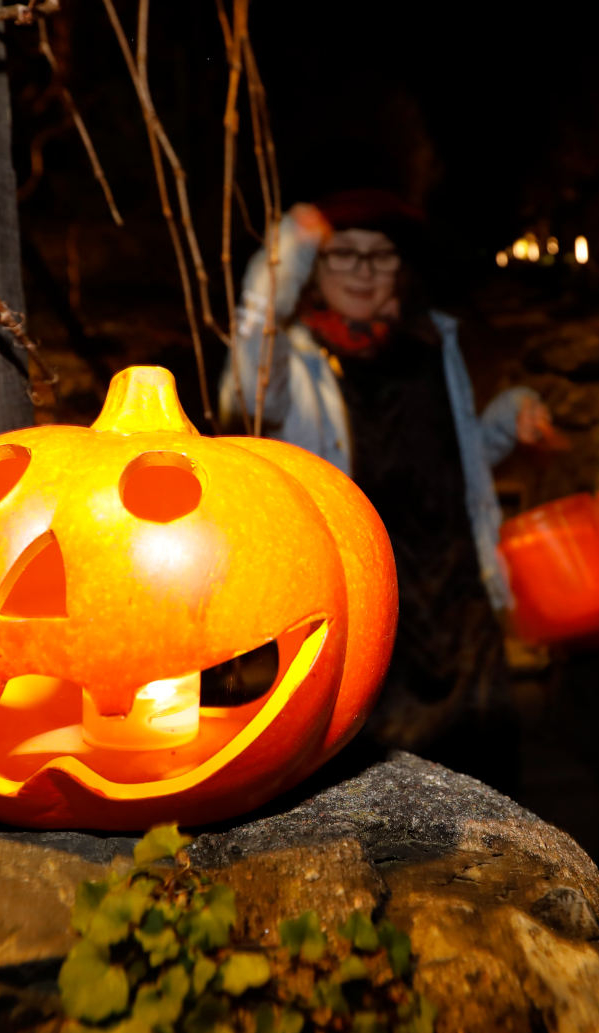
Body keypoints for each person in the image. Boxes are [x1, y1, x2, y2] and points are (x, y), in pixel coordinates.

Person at [218, 189, 555, 770]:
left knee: (490, 776)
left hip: (458, 604)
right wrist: (282, 256)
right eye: (343, 254)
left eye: (380, 255)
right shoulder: (293, 366)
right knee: (384, 784)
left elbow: (454, 454)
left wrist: (509, 417)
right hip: (369, 613)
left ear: (402, 269)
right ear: (313, 270)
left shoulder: (432, 344)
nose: (363, 271)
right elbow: (246, 386)